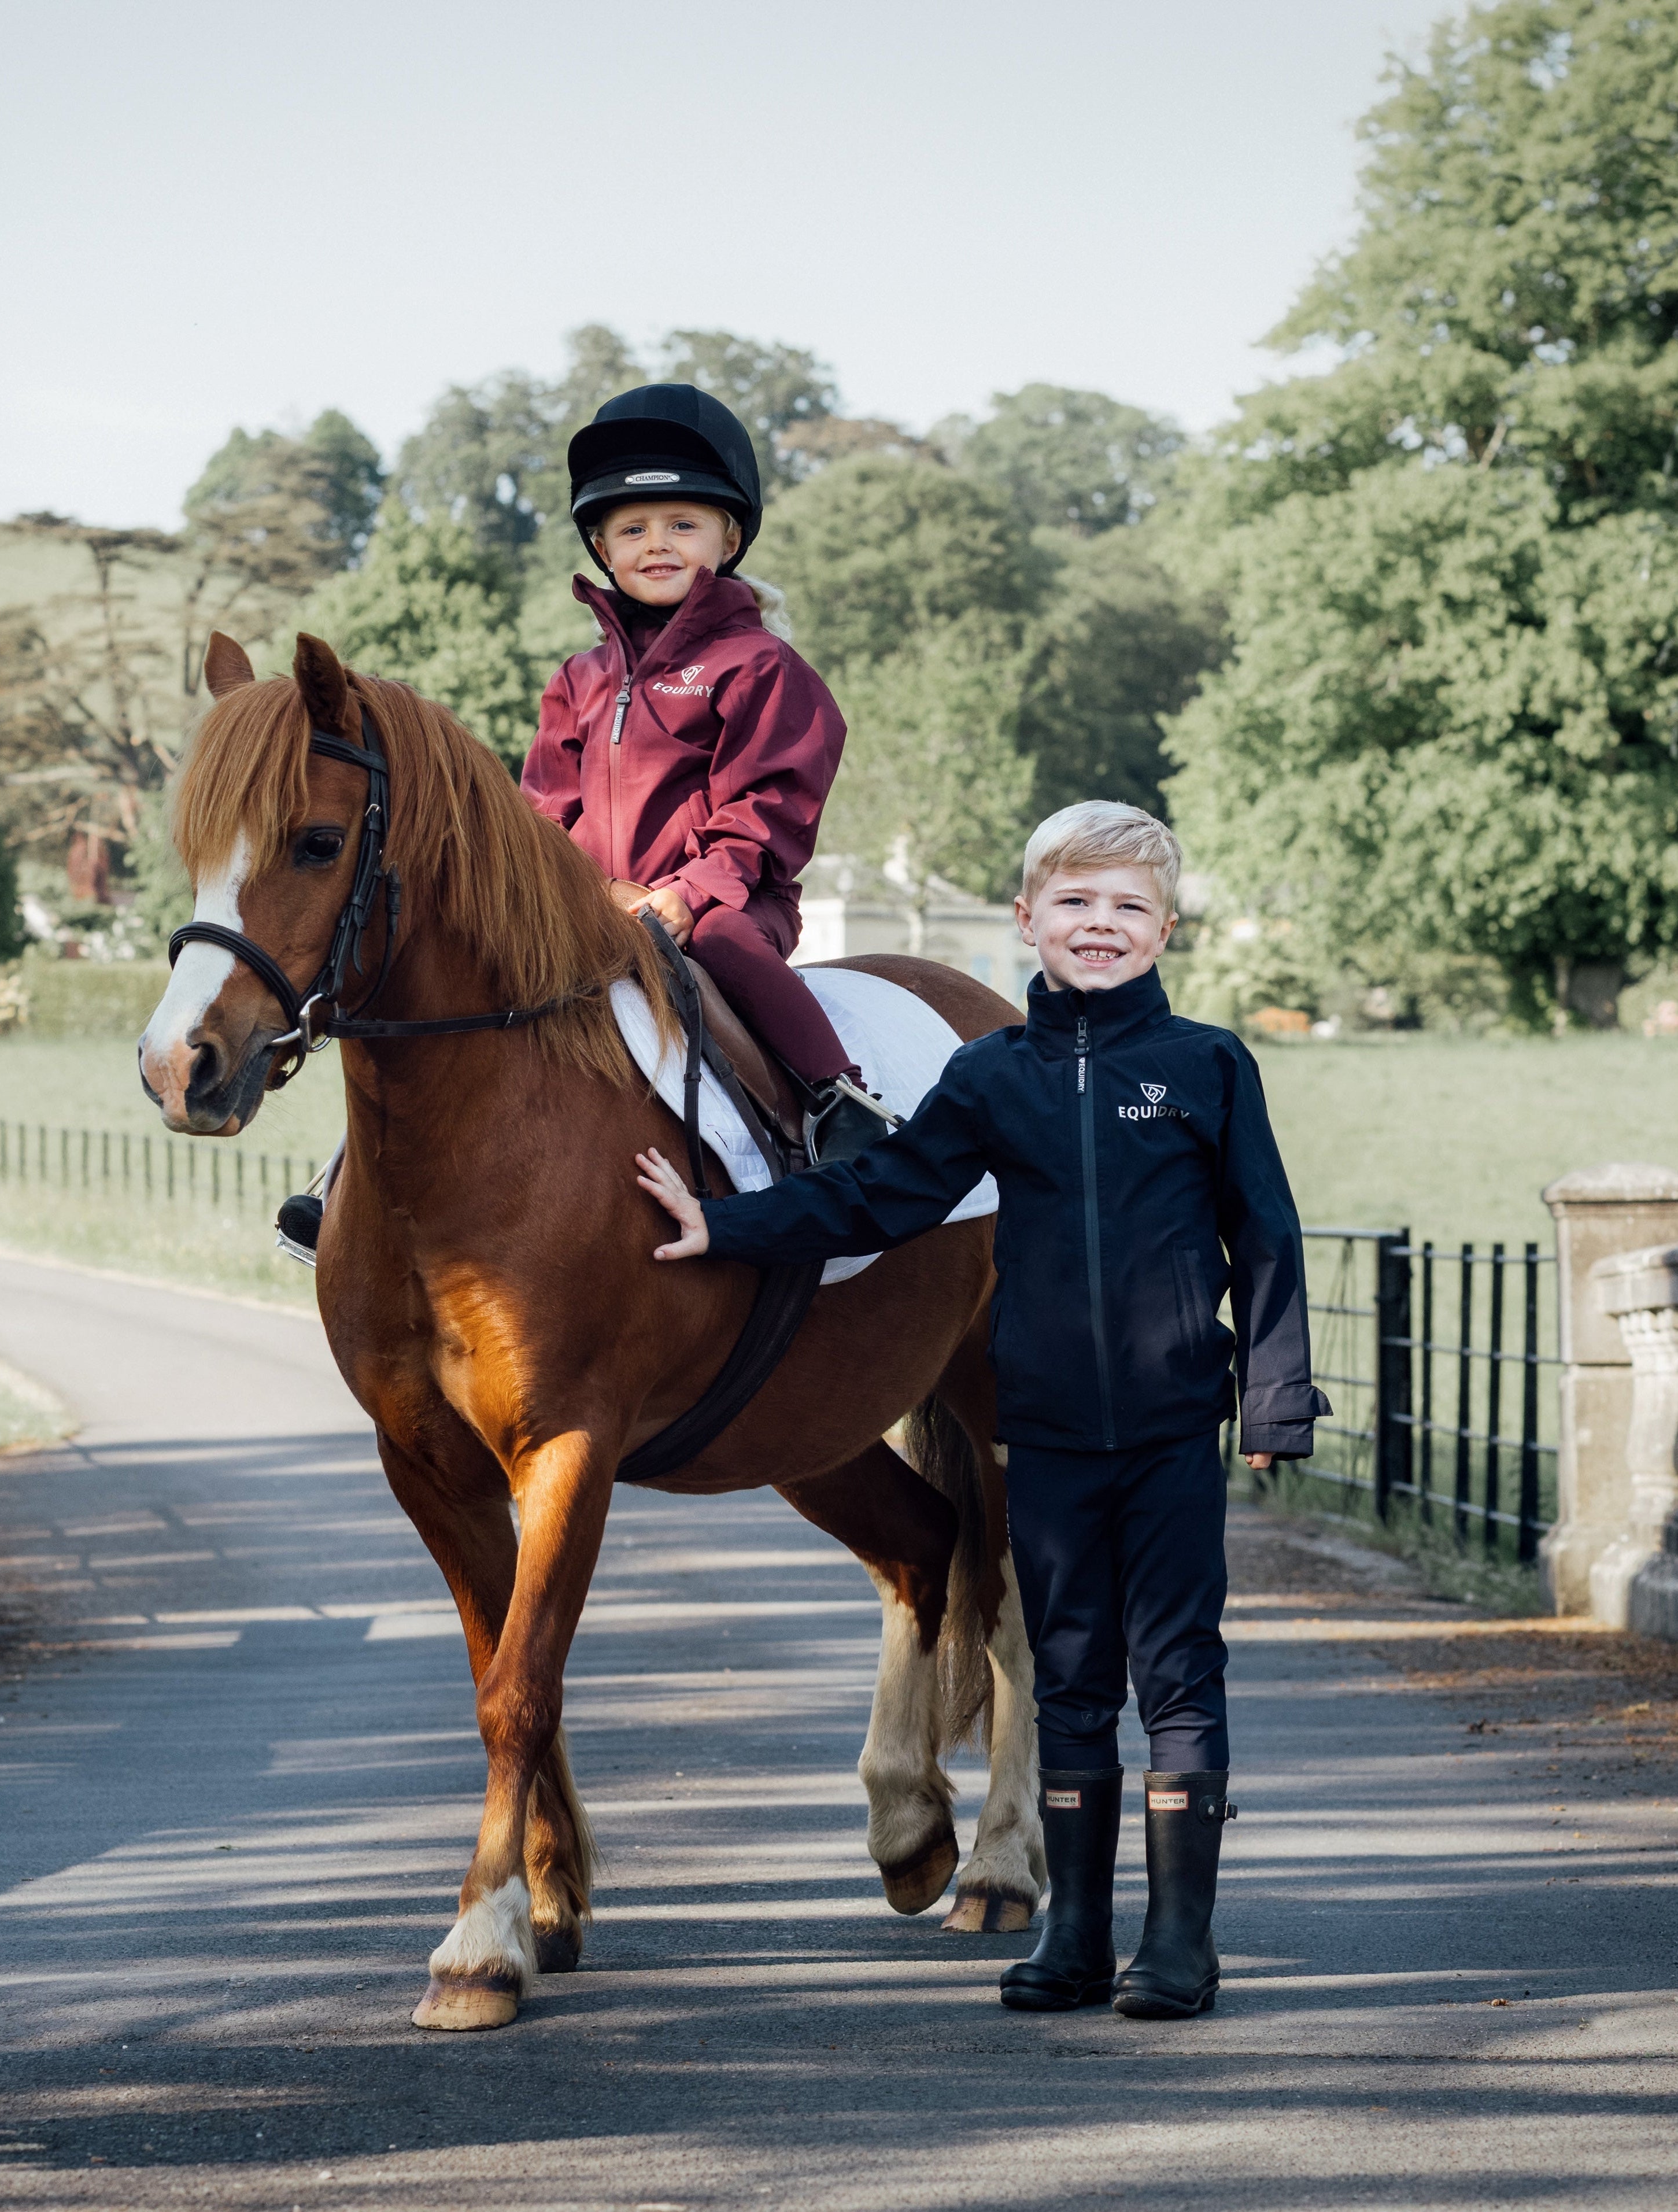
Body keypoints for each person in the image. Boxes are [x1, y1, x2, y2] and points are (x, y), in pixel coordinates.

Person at [634, 799, 1330, 2019]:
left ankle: (1177, 1943)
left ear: (1164, 927)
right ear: (1027, 919)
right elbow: (883, 1197)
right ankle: (1074, 1935)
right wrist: (724, 1225)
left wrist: (1273, 1397)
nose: (1098, 926)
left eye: (1126, 907)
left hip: (1170, 1426)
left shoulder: (1208, 1065)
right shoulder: (991, 1072)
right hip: (1045, 1427)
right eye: (1074, 903)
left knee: (1174, 1676)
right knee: (1065, 1678)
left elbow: (1264, 1234)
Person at [521, 382, 890, 1165]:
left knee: (720, 940)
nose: (656, 544)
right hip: (590, 907)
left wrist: (686, 897)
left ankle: (836, 1098)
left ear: (725, 541)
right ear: (603, 550)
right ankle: (354, 1169)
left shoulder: (759, 667)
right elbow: (541, 812)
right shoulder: (578, 677)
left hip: (728, 901)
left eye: (682, 524)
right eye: (633, 529)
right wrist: (581, 895)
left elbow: (767, 809)